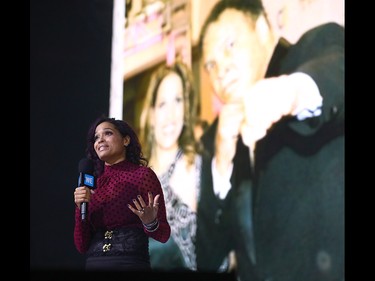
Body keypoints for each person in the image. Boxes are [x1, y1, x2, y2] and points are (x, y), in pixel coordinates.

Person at [195, 1, 344, 281]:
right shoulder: (214, 142)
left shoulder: (312, 52)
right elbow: (209, 257)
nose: (221, 70)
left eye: (230, 45)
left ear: (263, 30)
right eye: (211, 64)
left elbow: (338, 68)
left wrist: (292, 93)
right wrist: (222, 167)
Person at [138, 60, 229, 271]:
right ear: (151, 115)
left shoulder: (197, 165)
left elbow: (221, 248)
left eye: (178, 101)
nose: (171, 115)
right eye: (162, 104)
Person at [73, 115, 171, 271]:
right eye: (96, 138)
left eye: (108, 133)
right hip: (94, 265)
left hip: (129, 264)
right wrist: (80, 208)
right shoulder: (93, 185)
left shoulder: (142, 175)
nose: (100, 140)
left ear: (126, 140)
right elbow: (81, 245)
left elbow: (163, 235)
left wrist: (150, 222)